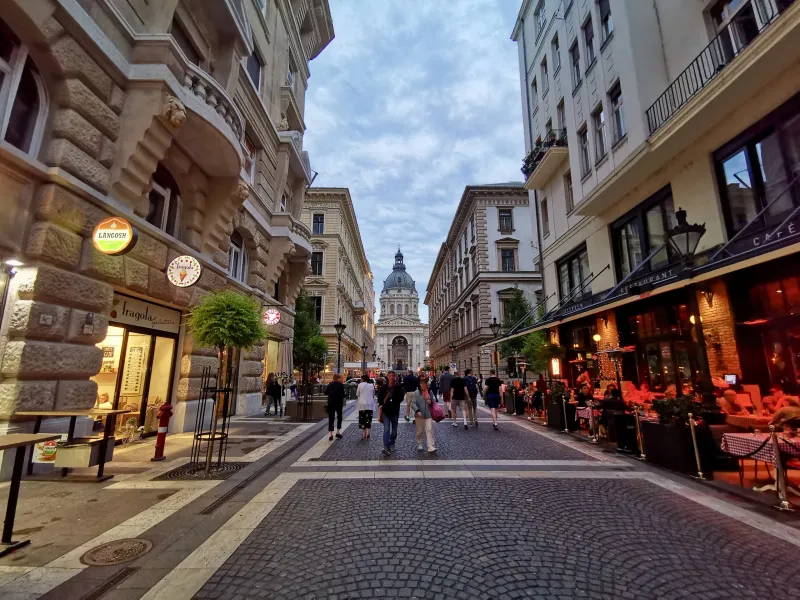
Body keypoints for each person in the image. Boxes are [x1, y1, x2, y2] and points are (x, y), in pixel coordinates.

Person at [378, 370, 405, 455]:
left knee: (394, 430)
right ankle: (386, 446)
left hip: (395, 411)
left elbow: (401, 397)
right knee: (386, 429)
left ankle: (392, 442)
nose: (391, 377)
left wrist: (394, 401)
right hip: (386, 411)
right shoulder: (383, 387)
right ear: (387, 377)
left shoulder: (398, 387)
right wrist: (381, 405)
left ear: (395, 377)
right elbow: (380, 397)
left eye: (392, 376)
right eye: (389, 376)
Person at [410, 376, 436, 453]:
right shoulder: (416, 393)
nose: (423, 385)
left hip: (428, 414)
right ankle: (420, 443)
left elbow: (433, 400)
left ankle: (430, 446)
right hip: (419, 415)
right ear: (419, 384)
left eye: (424, 383)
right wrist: (417, 411)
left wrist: (430, 401)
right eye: (421, 383)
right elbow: (413, 403)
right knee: (420, 431)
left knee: (429, 429)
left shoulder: (430, 391)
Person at [325, 373, 345, 441]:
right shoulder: (341, 385)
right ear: (338, 378)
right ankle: (338, 432)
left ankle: (331, 434)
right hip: (338, 403)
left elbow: (326, 392)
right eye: (340, 378)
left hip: (331, 403)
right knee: (339, 417)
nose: (340, 379)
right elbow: (343, 394)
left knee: (331, 418)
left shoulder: (330, 384)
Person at [356, 373, 376, 441]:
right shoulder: (371, 385)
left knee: (362, 419)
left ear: (363, 379)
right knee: (368, 418)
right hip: (370, 404)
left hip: (362, 404)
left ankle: (364, 434)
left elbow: (357, 394)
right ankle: (368, 432)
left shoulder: (360, 385)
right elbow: (373, 394)